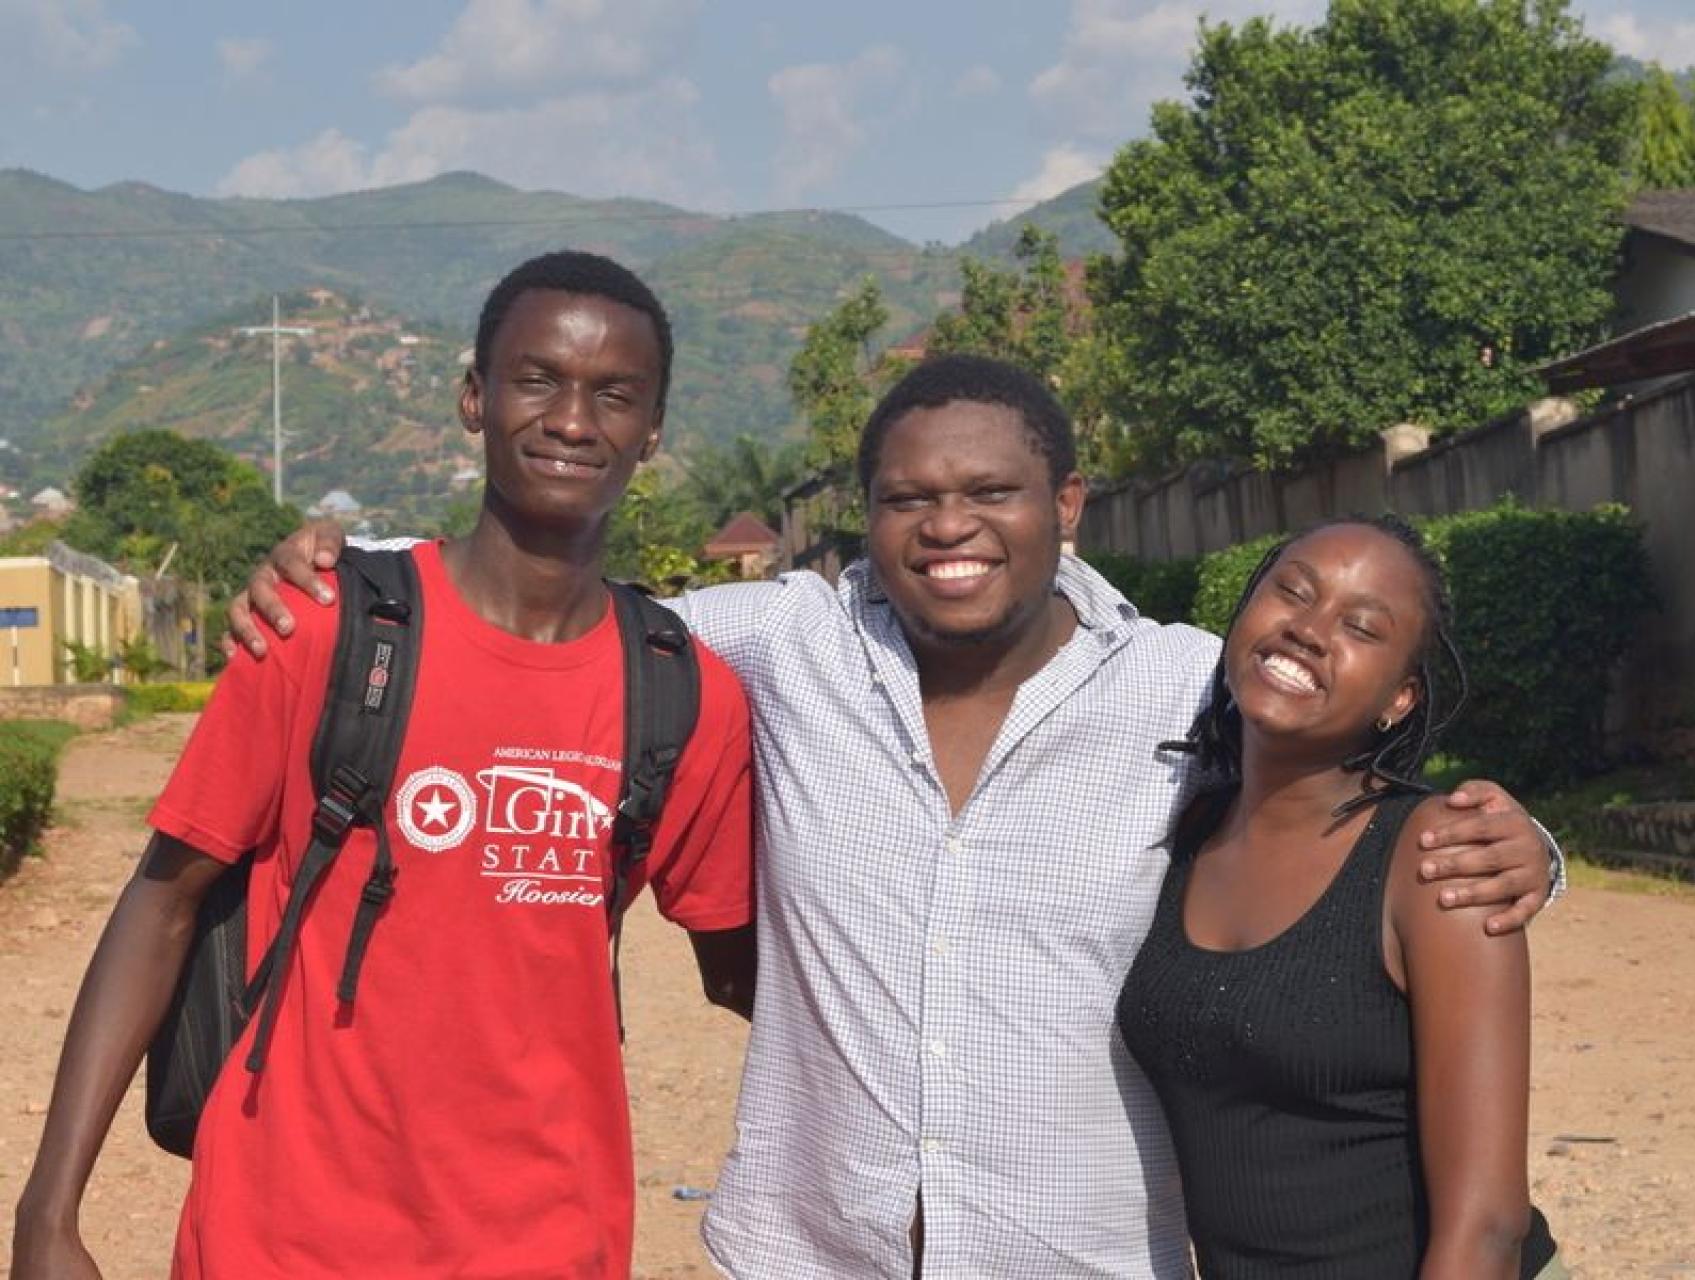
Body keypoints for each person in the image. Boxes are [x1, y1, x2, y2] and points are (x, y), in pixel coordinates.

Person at [226, 354, 1564, 1278]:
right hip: (818, 1246)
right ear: (865, 521)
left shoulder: (1182, 680)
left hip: (1086, 1255)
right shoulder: (782, 642)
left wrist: (1528, 847)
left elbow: (1346, 782)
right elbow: (548, 631)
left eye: (991, 492)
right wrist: (358, 574)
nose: (949, 527)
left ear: (1068, 508)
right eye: (910, 499)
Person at [11, 251, 757, 1279]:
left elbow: (750, 969)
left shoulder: (688, 694)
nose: (573, 419)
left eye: (615, 394)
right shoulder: (327, 630)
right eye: (536, 377)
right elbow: (162, 903)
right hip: (279, 1237)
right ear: (473, 396)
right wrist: (47, 1211)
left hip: (548, 1241)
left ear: (654, 432)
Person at [1118, 516, 1564, 1277]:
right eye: (1291, 592)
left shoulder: (1435, 860)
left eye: (1361, 627)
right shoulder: (1182, 826)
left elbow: (1488, 1225)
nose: (1309, 631)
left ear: (1400, 698)